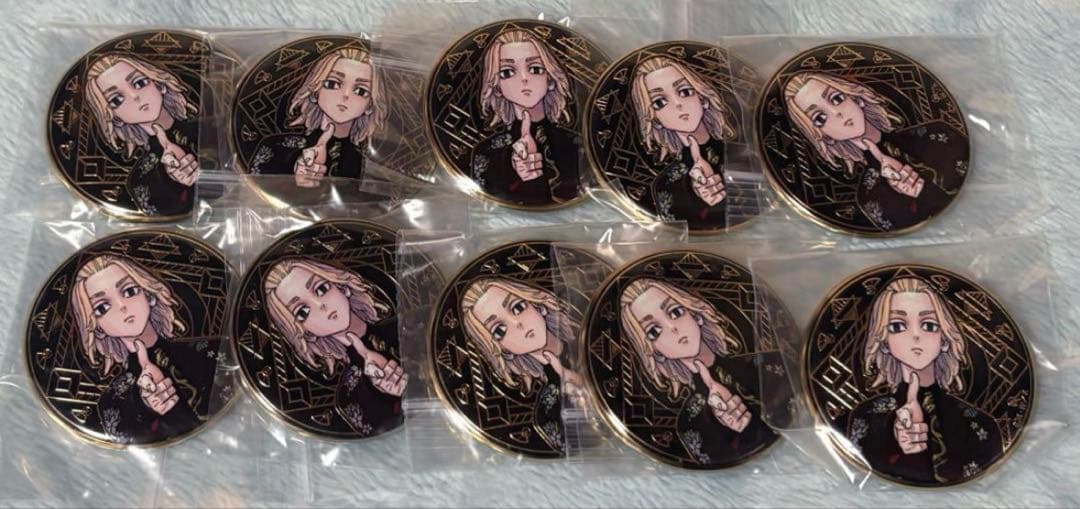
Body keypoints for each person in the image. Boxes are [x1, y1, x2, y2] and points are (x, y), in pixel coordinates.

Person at [840, 277, 1003, 484]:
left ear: (945, 339)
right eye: (897, 326)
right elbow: (868, 477)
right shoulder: (867, 417)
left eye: (928, 325)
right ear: (884, 342)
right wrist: (897, 441)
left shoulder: (981, 424)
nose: (916, 335)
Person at [620, 278, 777, 465]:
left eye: (675, 312)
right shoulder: (690, 422)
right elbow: (725, 469)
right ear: (654, 351)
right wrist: (742, 428)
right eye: (654, 331)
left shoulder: (766, 364)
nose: (672, 328)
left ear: (695, 314)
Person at [783, 72, 966, 231]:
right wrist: (918, 193)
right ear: (824, 136)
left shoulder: (937, 134)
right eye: (820, 118)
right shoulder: (870, 197)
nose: (836, 113)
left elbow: (967, 195)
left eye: (836, 99)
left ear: (856, 99)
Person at [70, 255, 215, 444]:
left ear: (149, 295)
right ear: (97, 328)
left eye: (129, 291)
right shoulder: (112, 401)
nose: (122, 306)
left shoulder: (209, 350)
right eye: (102, 307)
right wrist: (146, 405)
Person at [263, 258, 405, 436]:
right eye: (302, 312)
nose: (320, 305)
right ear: (304, 332)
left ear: (342, 286)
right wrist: (384, 391)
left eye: (321, 289)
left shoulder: (407, 326)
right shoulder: (349, 395)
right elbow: (387, 436)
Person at [459, 278, 582, 451]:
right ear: (501, 349)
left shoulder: (591, 340)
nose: (517, 323)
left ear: (537, 305)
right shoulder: (547, 411)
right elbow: (572, 445)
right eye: (499, 330)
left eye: (517, 307)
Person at [469, 29, 581, 206]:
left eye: (535, 69)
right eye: (507, 72)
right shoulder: (487, 152)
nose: (523, 79)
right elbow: (488, 203)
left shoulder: (578, 144)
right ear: (497, 87)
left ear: (550, 79)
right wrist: (520, 176)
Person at [248, 47, 386, 188]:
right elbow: (256, 185)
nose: (346, 95)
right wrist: (296, 171)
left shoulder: (371, 166)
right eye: (333, 83)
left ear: (370, 105)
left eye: (360, 91)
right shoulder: (277, 146)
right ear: (315, 92)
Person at [85, 55, 199, 215]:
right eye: (116, 100)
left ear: (159, 84)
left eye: (139, 83)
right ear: (114, 117)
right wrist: (172, 178)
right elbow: (162, 211)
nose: (134, 96)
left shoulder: (210, 127)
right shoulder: (141, 177)